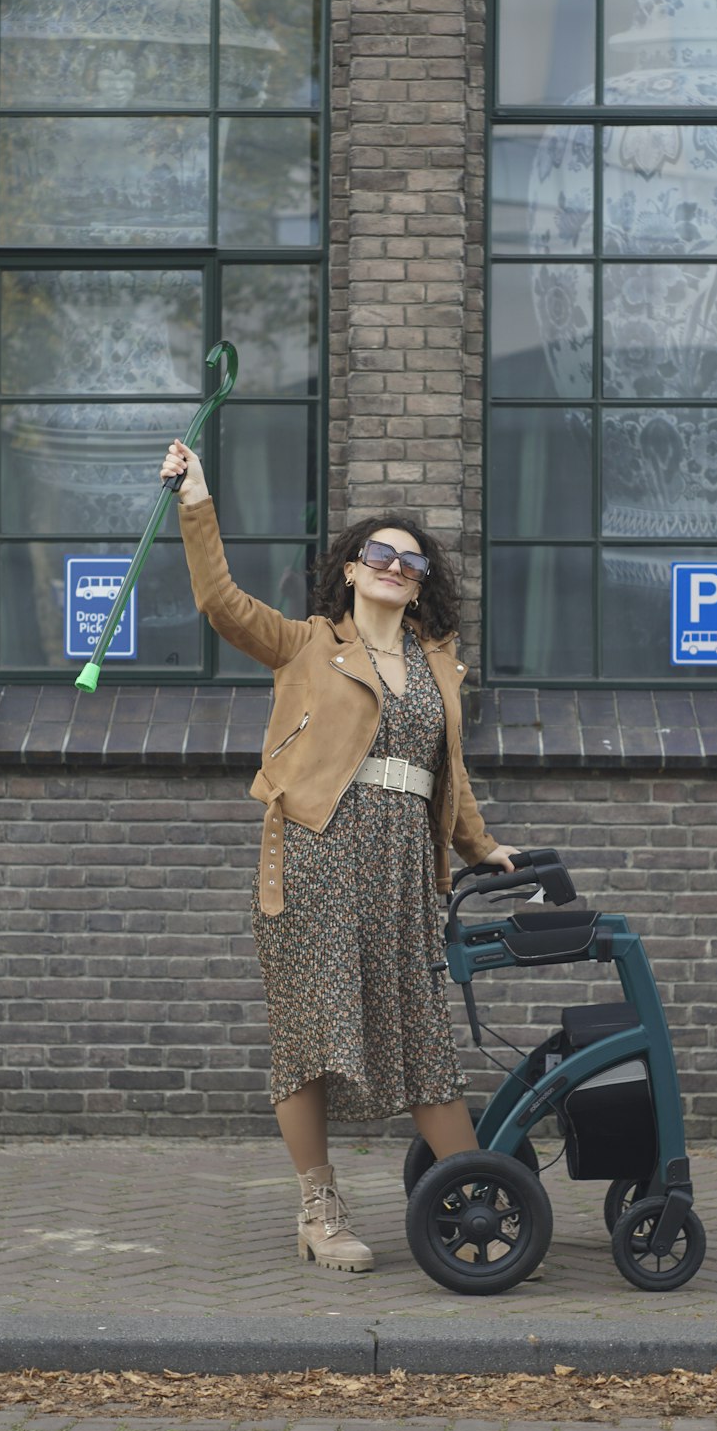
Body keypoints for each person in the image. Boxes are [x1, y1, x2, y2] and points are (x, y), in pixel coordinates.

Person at [161, 438, 520, 1273]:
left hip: (402, 873)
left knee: (424, 1034)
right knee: (311, 1034)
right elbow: (218, 600)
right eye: (381, 554)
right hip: (318, 862)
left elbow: (445, 776)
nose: (397, 565)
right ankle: (318, 1209)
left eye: (412, 559)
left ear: (423, 581)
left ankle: (474, 1202)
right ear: (352, 571)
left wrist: (484, 845)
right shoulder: (304, 646)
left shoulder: (437, 666)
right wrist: (196, 499)